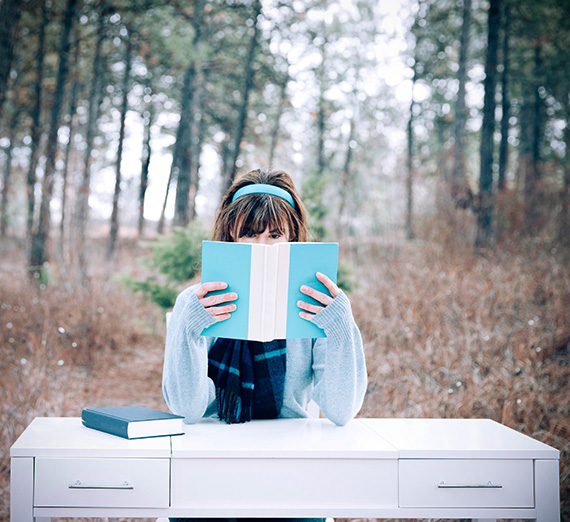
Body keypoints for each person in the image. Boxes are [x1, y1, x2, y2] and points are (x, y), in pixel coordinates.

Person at [162, 168, 367, 522]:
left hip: (290, 459)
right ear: (230, 235)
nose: (263, 247)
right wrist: (190, 330)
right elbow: (189, 411)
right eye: (250, 234)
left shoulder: (319, 305)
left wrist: (340, 327)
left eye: (275, 235)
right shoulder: (193, 302)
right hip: (210, 459)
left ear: (293, 238)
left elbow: (341, 410)